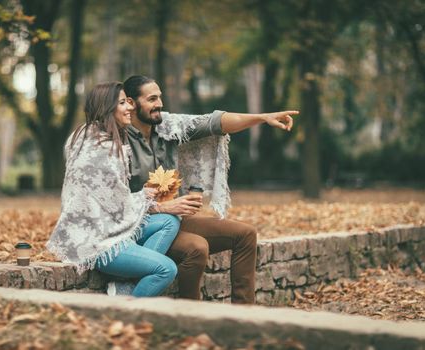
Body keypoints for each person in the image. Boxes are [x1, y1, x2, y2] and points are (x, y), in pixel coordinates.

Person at [123, 75, 299, 304]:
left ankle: (243, 315)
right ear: (131, 102)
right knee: (197, 247)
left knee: (245, 234)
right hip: (137, 227)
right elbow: (112, 200)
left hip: (173, 219)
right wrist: (163, 206)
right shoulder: (117, 140)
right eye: (152, 99)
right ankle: (191, 315)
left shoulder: (168, 125)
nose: (160, 103)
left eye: (160, 97)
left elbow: (215, 122)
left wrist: (262, 118)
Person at [46, 81, 181, 297]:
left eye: (128, 101)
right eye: (122, 103)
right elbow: (117, 205)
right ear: (107, 108)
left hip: (107, 227)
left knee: (169, 221)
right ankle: (127, 312)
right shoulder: (102, 149)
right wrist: (146, 197)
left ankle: (124, 284)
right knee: (166, 269)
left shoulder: (86, 136)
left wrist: (143, 197)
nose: (130, 107)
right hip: (99, 242)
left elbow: (110, 197)